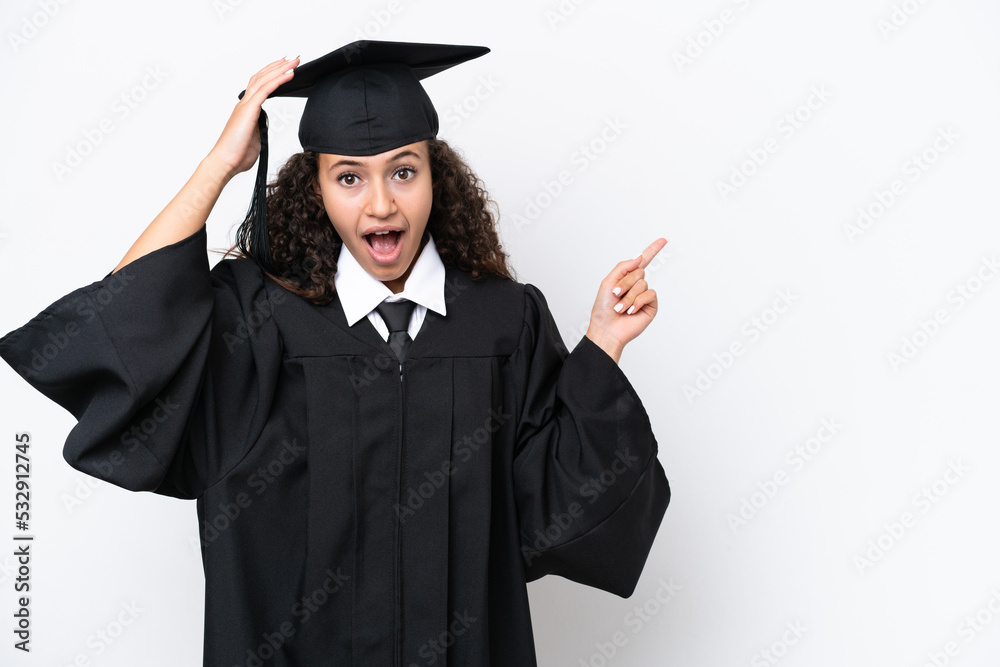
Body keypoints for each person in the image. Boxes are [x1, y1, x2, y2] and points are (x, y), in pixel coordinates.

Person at [0, 40, 669, 666]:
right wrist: (219, 166)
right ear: (314, 188)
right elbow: (127, 327)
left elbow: (554, 507)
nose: (380, 204)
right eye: (349, 177)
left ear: (435, 177)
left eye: (403, 172)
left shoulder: (502, 322)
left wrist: (604, 343)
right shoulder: (256, 321)